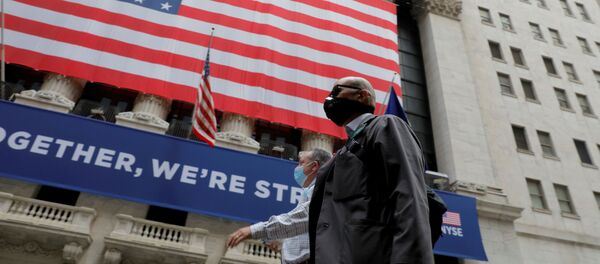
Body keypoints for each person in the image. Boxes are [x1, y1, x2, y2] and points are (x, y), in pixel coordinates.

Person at [308, 76, 433, 264]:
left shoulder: (386, 126)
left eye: (336, 92)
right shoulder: (341, 152)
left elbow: (410, 197)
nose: (329, 99)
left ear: (362, 96)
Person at [227, 148, 332, 264]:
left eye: (301, 163)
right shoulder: (309, 191)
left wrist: (254, 230)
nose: (297, 168)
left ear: (314, 166)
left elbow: (305, 217)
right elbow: (305, 233)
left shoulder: (323, 190)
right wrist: (283, 244)